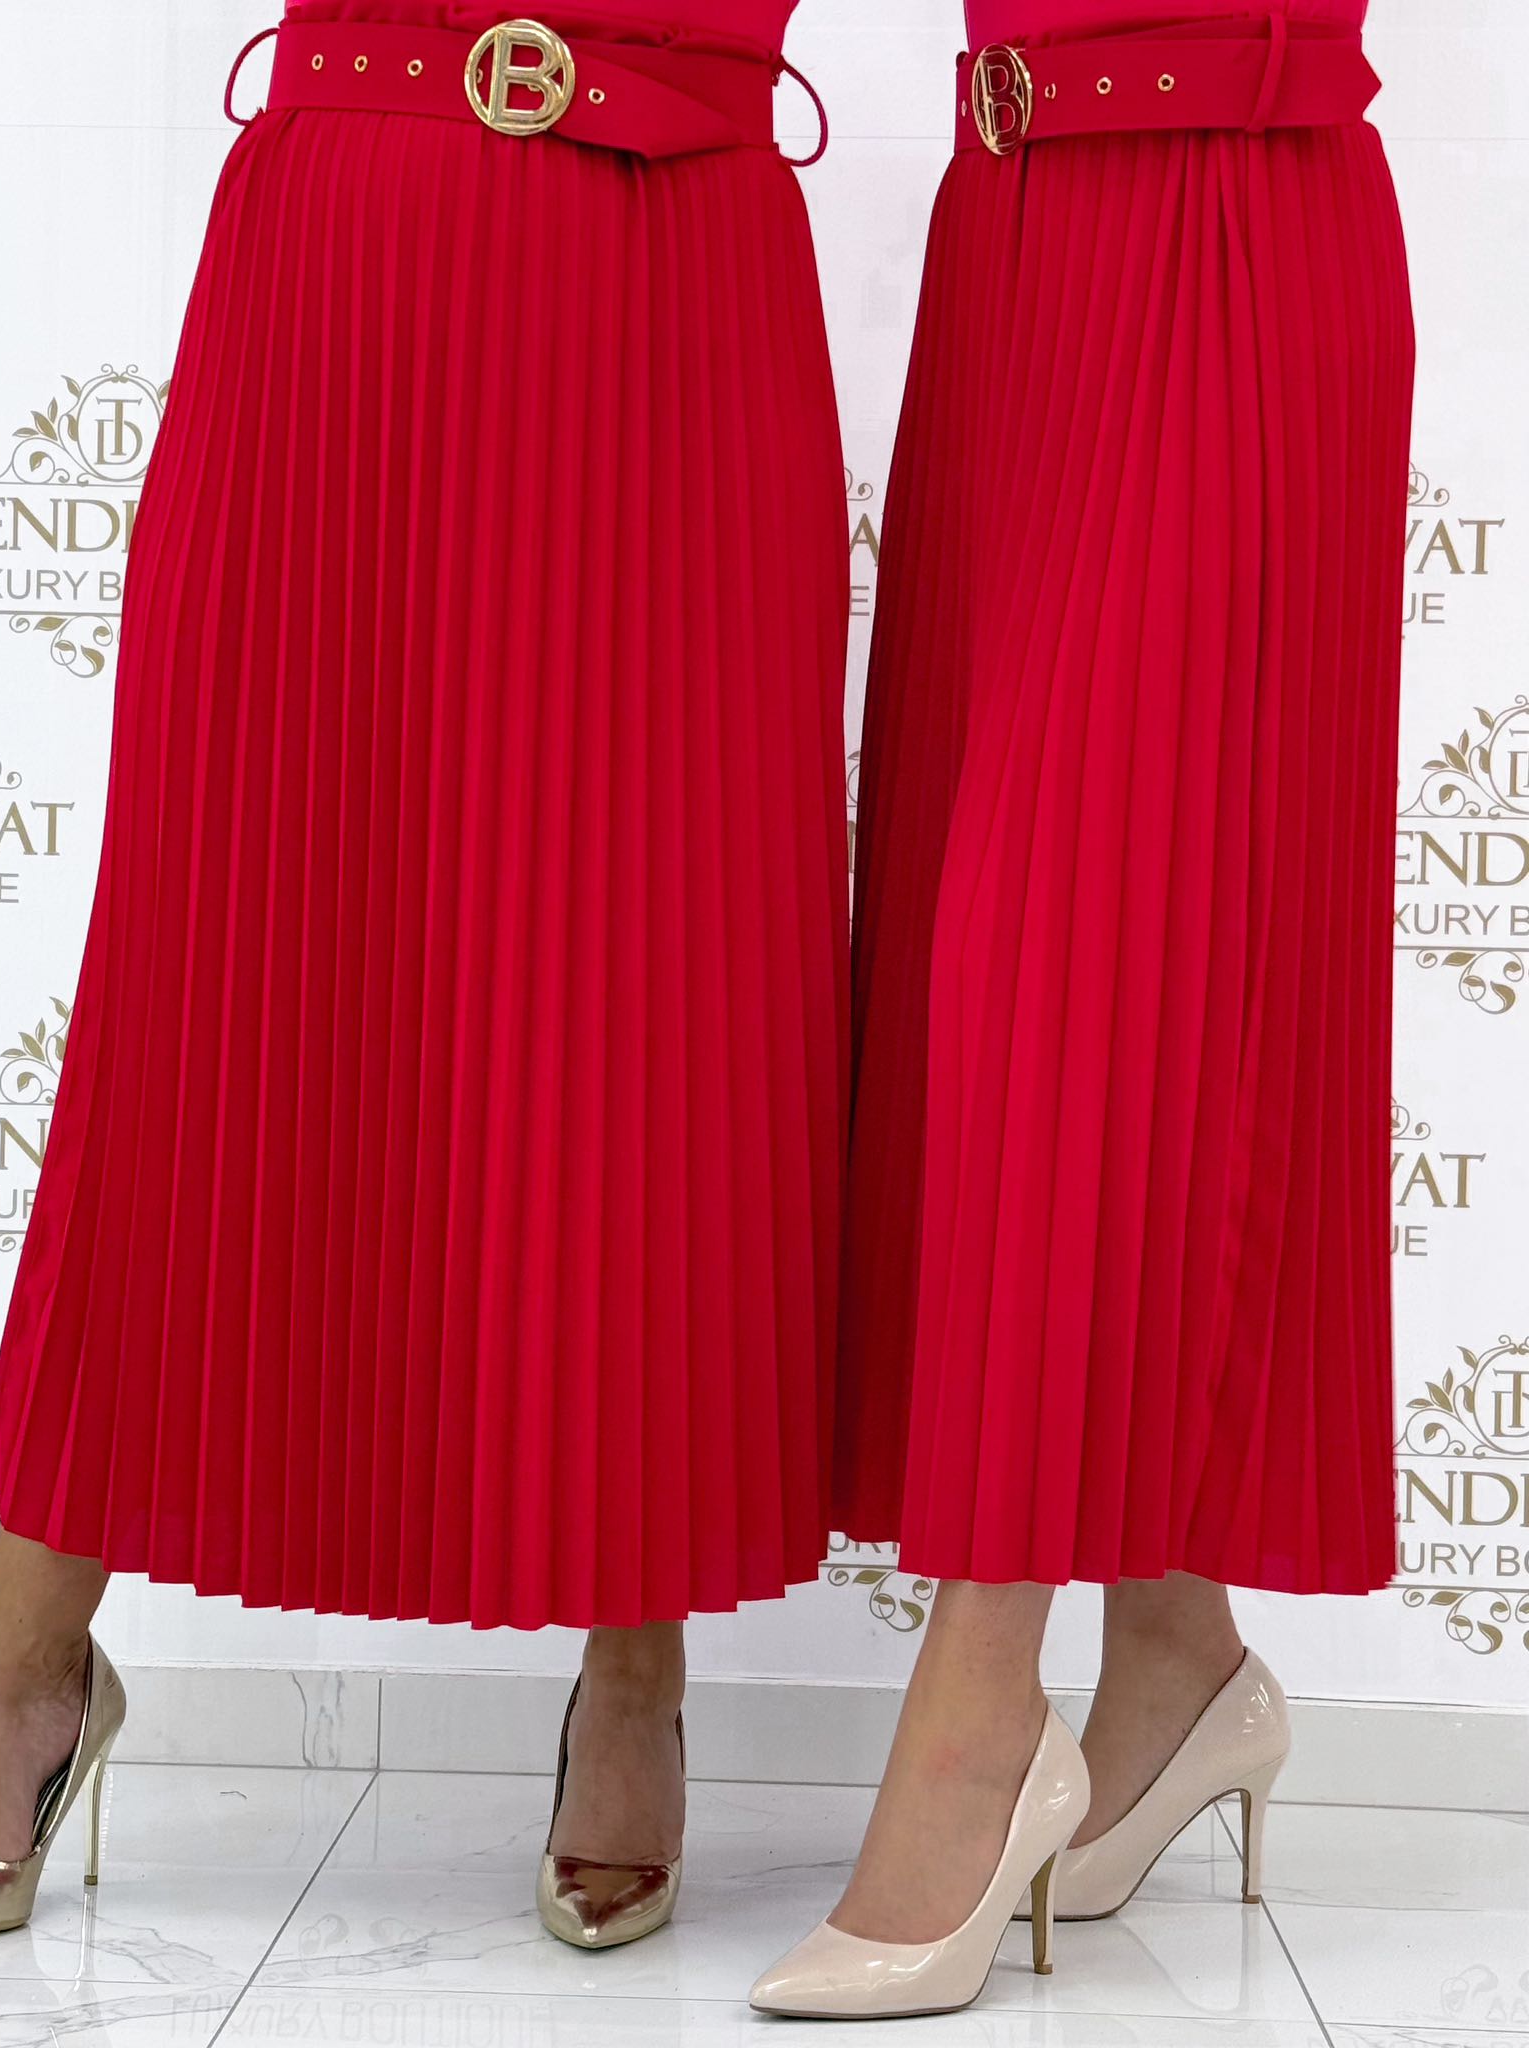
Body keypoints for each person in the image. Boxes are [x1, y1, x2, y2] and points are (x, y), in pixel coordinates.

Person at [0, 0, 848, 1951]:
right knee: (209, 955)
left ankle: (634, 1665)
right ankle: (28, 1650)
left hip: (678, 265)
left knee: (655, 968)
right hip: (346, 258)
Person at [754, 0, 1412, 2019]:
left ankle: (980, 1714)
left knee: (1079, 965)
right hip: (1013, 235)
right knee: (1021, 968)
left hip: (1232, 216)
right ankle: (1177, 1653)